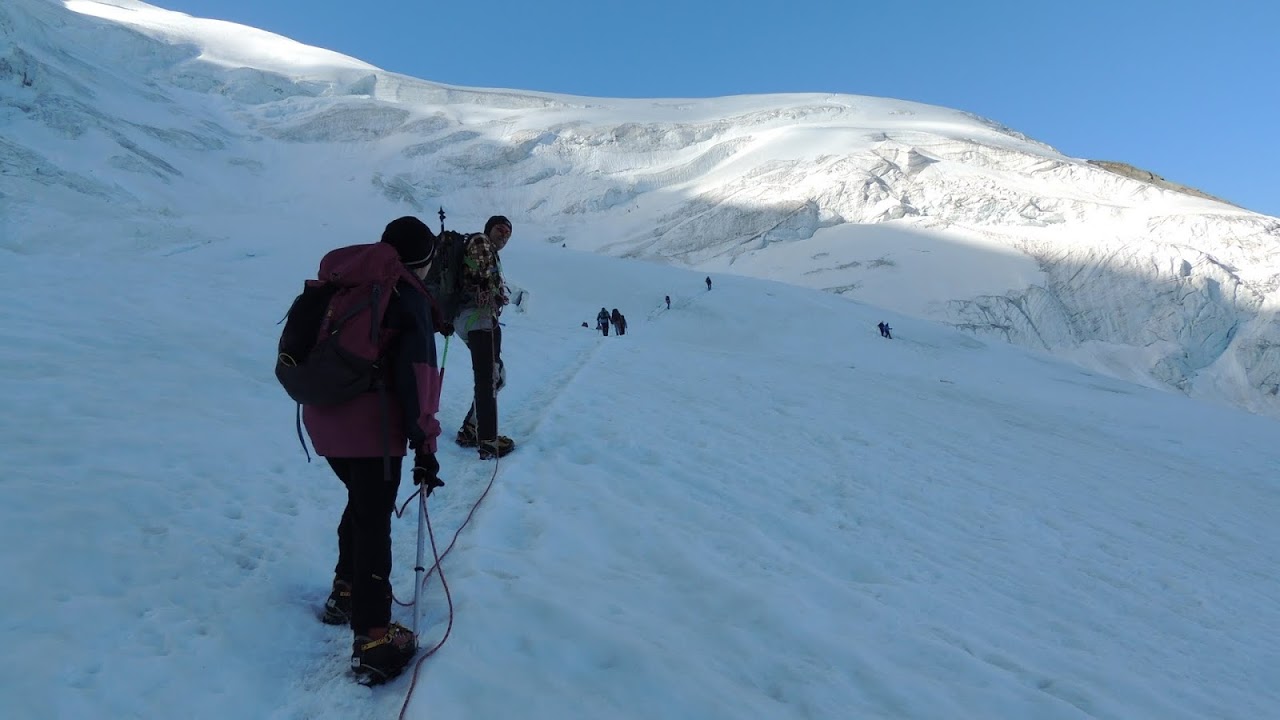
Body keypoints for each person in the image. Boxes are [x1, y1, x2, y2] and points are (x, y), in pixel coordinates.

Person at [305, 216, 446, 684]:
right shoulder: (408, 297)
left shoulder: (350, 282)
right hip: (370, 427)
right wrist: (425, 446)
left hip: (322, 416)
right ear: (423, 260)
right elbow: (418, 381)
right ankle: (373, 639)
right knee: (373, 521)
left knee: (362, 503)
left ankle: (345, 591)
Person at [453, 216, 515, 459]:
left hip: (473, 318)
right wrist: (493, 293)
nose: (504, 235)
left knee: (496, 375)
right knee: (488, 376)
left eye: (508, 233)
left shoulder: (485, 247)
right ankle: (487, 440)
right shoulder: (481, 241)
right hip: (478, 317)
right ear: (489, 229)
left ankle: (472, 429)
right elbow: (481, 277)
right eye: (500, 229)